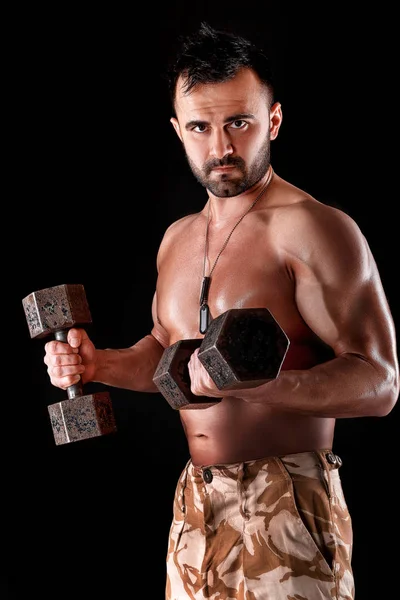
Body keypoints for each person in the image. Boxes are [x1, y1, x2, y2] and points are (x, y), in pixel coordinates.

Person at [43, 22, 398, 600]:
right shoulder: (177, 239)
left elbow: (380, 382)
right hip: (196, 504)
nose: (221, 148)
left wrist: (258, 387)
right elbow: (165, 353)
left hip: (287, 503)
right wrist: (96, 365)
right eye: (201, 128)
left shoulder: (312, 229)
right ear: (178, 131)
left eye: (239, 123)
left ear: (273, 122)